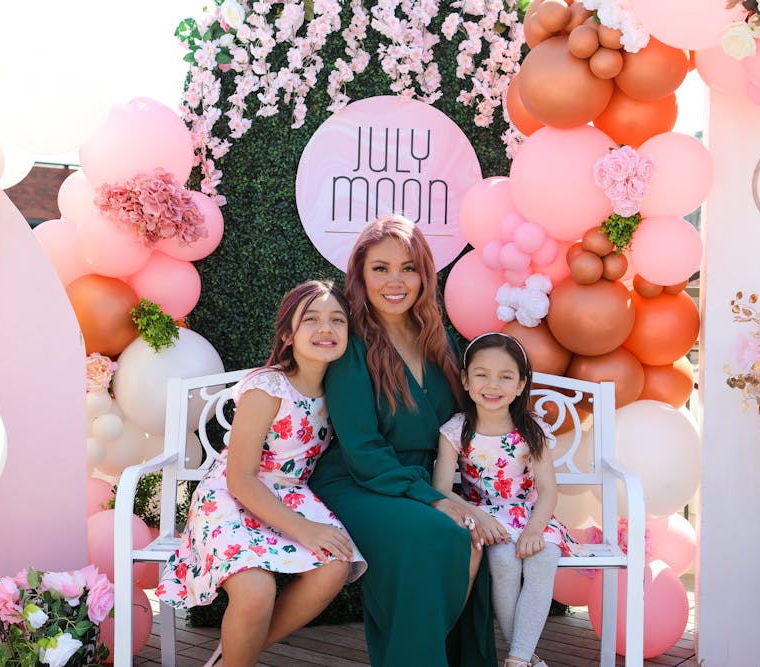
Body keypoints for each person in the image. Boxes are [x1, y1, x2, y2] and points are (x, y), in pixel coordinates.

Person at [309, 215, 497, 667]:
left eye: (408, 267)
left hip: (426, 479)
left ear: (424, 274)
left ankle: (415, 653)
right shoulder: (349, 342)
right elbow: (362, 448)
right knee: (443, 535)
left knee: (469, 535)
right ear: (360, 275)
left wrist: (460, 489)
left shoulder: (438, 339)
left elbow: (461, 422)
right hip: (361, 481)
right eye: (381, 268)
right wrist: (438, 500)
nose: (396, 281)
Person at [156, 280, 366, 666]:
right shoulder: (269, 387)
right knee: (255, 589)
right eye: (312, 320)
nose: (326, 329)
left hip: (291, 493)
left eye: (338, 320)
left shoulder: (341, 390)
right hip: (233, 493)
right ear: (287, 333)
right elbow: (240, 477)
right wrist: (305, 529)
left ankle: (233, 657)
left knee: (335, 565)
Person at [432, 332, 578, 667]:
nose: (493, 384)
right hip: (486, 517)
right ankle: (527, 658)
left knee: (543, 560)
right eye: (482, 374)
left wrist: (534, 531)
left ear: (521, 384)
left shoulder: (531, 429)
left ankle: (516, 659)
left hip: (532, 516)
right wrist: (479, 518)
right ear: (466, 381)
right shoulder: (456, 430)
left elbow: (548, 490)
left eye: (506, 376)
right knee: (502, 562)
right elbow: (441, 489)